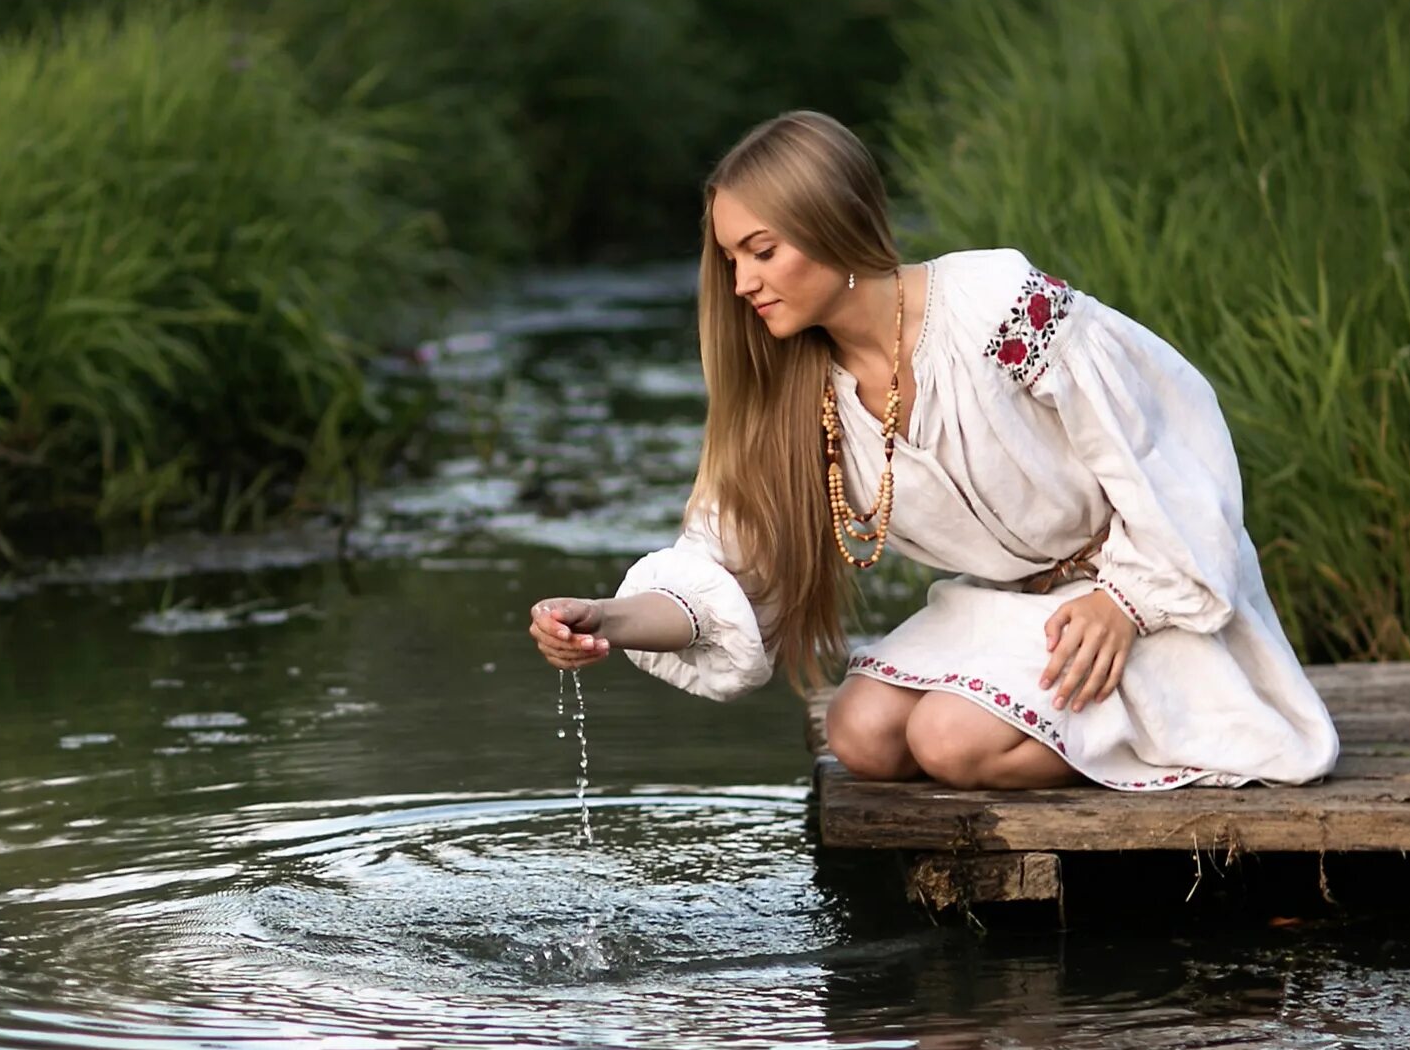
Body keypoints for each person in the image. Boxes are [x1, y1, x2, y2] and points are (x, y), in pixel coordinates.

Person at [526, 111, 1337, 792]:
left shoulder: (995, 307)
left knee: (951, 742)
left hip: (1139, 589)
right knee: (861, 736)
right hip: (1008, 607)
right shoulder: (796, 396)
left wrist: (1126, 601)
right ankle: (1054, 719)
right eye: (731, 258)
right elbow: (731, 567)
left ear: (830, 224)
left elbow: (1161, 436)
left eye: (762, 251)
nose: (741, 283)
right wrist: (608, 620)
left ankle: (1146, 725)